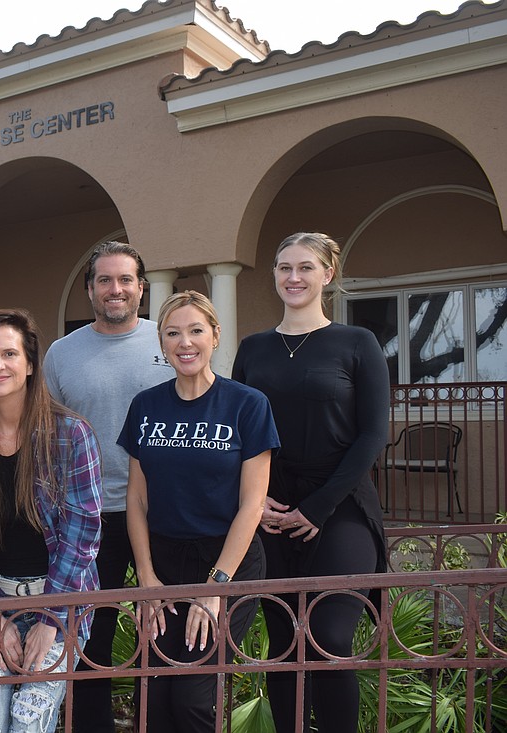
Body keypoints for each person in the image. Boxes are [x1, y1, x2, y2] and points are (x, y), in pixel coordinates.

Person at [232, 232, 390, 733]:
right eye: (283, 268)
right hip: (270, 511)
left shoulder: (357, 343)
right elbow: (239, 433)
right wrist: (255, 503)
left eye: (305, 267)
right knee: (283, 643)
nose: (293, 277)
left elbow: (372, 435)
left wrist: (317, 508)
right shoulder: (253, 348)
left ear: (328, 274)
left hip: (340, 506)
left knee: (328, 635)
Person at [119, 291, 278, 732]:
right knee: (151, 697)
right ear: (161, 342)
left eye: (195, 330)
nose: (184, 342)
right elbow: (137, 500)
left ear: (215, 335)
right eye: (172, 333)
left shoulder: (247, 404)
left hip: (228, 561)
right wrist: (147, 579)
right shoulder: (146, 406)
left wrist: (216, 586)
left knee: (191, 696)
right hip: (165, 563)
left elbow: (252, 504)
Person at [0, 309, 102, 733]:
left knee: (28, 720)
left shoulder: (71, 434)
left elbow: (82, 534)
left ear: (30, 364)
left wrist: (52, 619)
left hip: (61, 604)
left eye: (9, 354)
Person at [42, 240, 173, 731]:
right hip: (87, 520)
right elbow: (45, 437)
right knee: (89, 646)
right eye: (104, 280)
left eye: (125, 280)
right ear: (89, 289)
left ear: (142, 286)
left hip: (164, 517)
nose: (115, 289)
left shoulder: (169, 340)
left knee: (165, 638)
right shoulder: (61, 354)